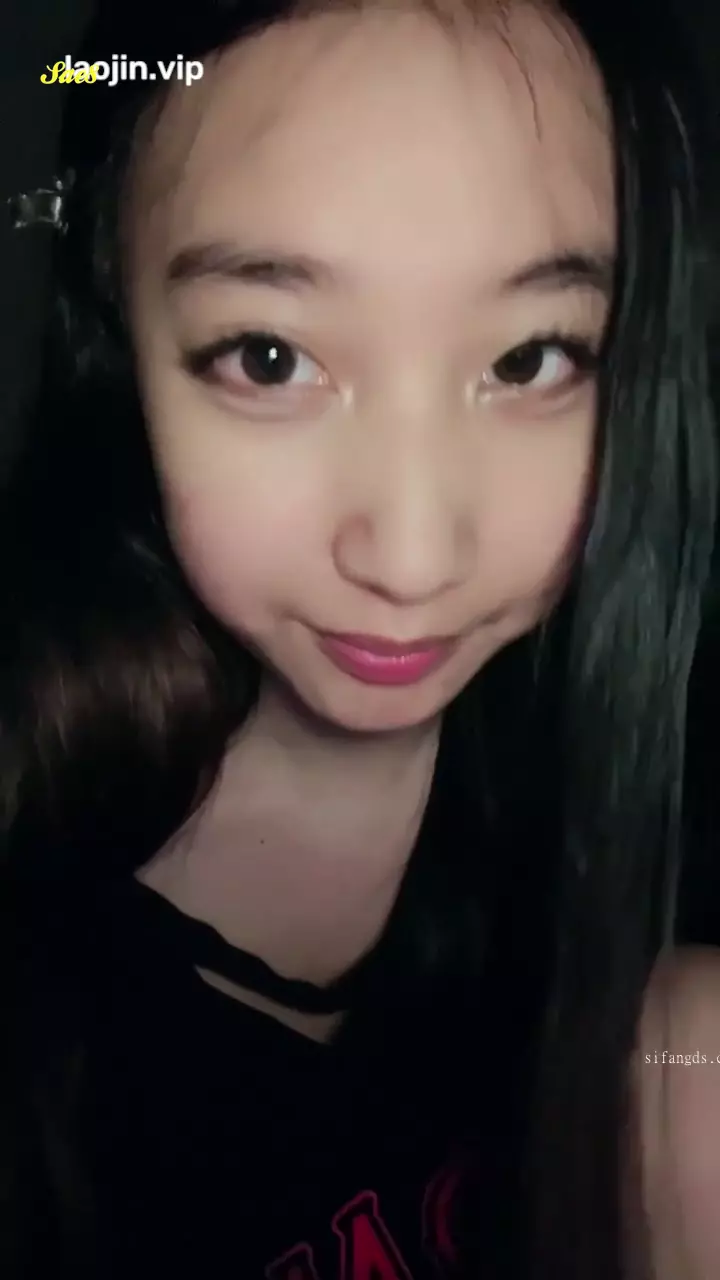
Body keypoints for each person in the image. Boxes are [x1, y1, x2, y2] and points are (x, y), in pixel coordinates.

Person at [1, 0, 718, 1276]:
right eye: (271, 357)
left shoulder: (626, 802)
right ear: (118, 344)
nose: (412, 555)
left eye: (531, 359)